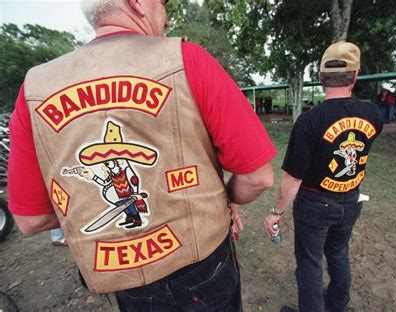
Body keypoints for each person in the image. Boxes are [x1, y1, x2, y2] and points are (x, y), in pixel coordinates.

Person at [8, 0, 276, 310]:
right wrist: (223, 199)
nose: (165, 18)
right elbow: (258, 177)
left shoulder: (35, 88)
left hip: (125, 278)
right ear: (137, 3)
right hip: (203, 263)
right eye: (163, 4)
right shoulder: (185, 58)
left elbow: (30, 220)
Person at [264, 41, 383, 312]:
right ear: (355, 75)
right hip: (351, 201)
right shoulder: (373, 114)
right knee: (339, 254)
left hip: (315, 205)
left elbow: (293, 178)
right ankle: (337, 306)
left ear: (320, 77)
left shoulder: (309, 121)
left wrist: (276, 212)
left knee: (310, 264)